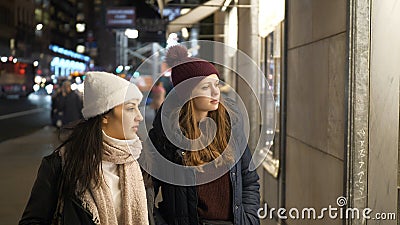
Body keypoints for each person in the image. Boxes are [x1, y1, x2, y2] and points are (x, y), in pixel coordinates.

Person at [147, 45, 260, 225]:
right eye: (206, 87)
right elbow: (146, 191)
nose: (215, 92)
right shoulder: (165, 136)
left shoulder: (230, 126)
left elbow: (249, 180)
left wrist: (249, 219)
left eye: (216, 84)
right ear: (188, 93)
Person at [19, 71, 149, 225]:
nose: (139, 116)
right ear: (104, 115)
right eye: (130, 108)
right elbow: (33, 221)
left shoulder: (140, 160)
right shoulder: (62, 164)